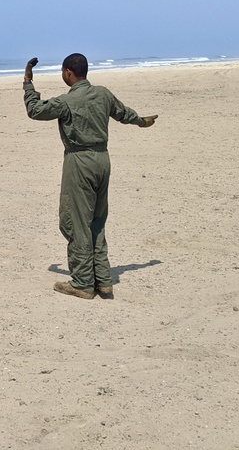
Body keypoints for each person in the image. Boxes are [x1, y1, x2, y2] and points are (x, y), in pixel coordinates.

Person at [23, 53, 157, 300]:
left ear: (67, 73)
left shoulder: (66, 102)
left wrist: (28, 82)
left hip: (80, 161)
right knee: (97, 219)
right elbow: (124, 114)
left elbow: (34, 110)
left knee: (75, 221)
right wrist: (141, 121)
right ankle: (103, 280)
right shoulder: (103, 94)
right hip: (102, 160)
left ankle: (83, 283)